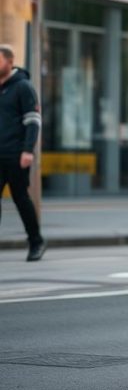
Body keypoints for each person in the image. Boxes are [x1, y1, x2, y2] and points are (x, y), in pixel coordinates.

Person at [0, 45, 44, 261]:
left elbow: (33, 121)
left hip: (16, 154)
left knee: (20, 198)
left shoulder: (23, 87)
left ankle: (36, 241)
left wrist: (28, 150)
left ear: (9, 61)